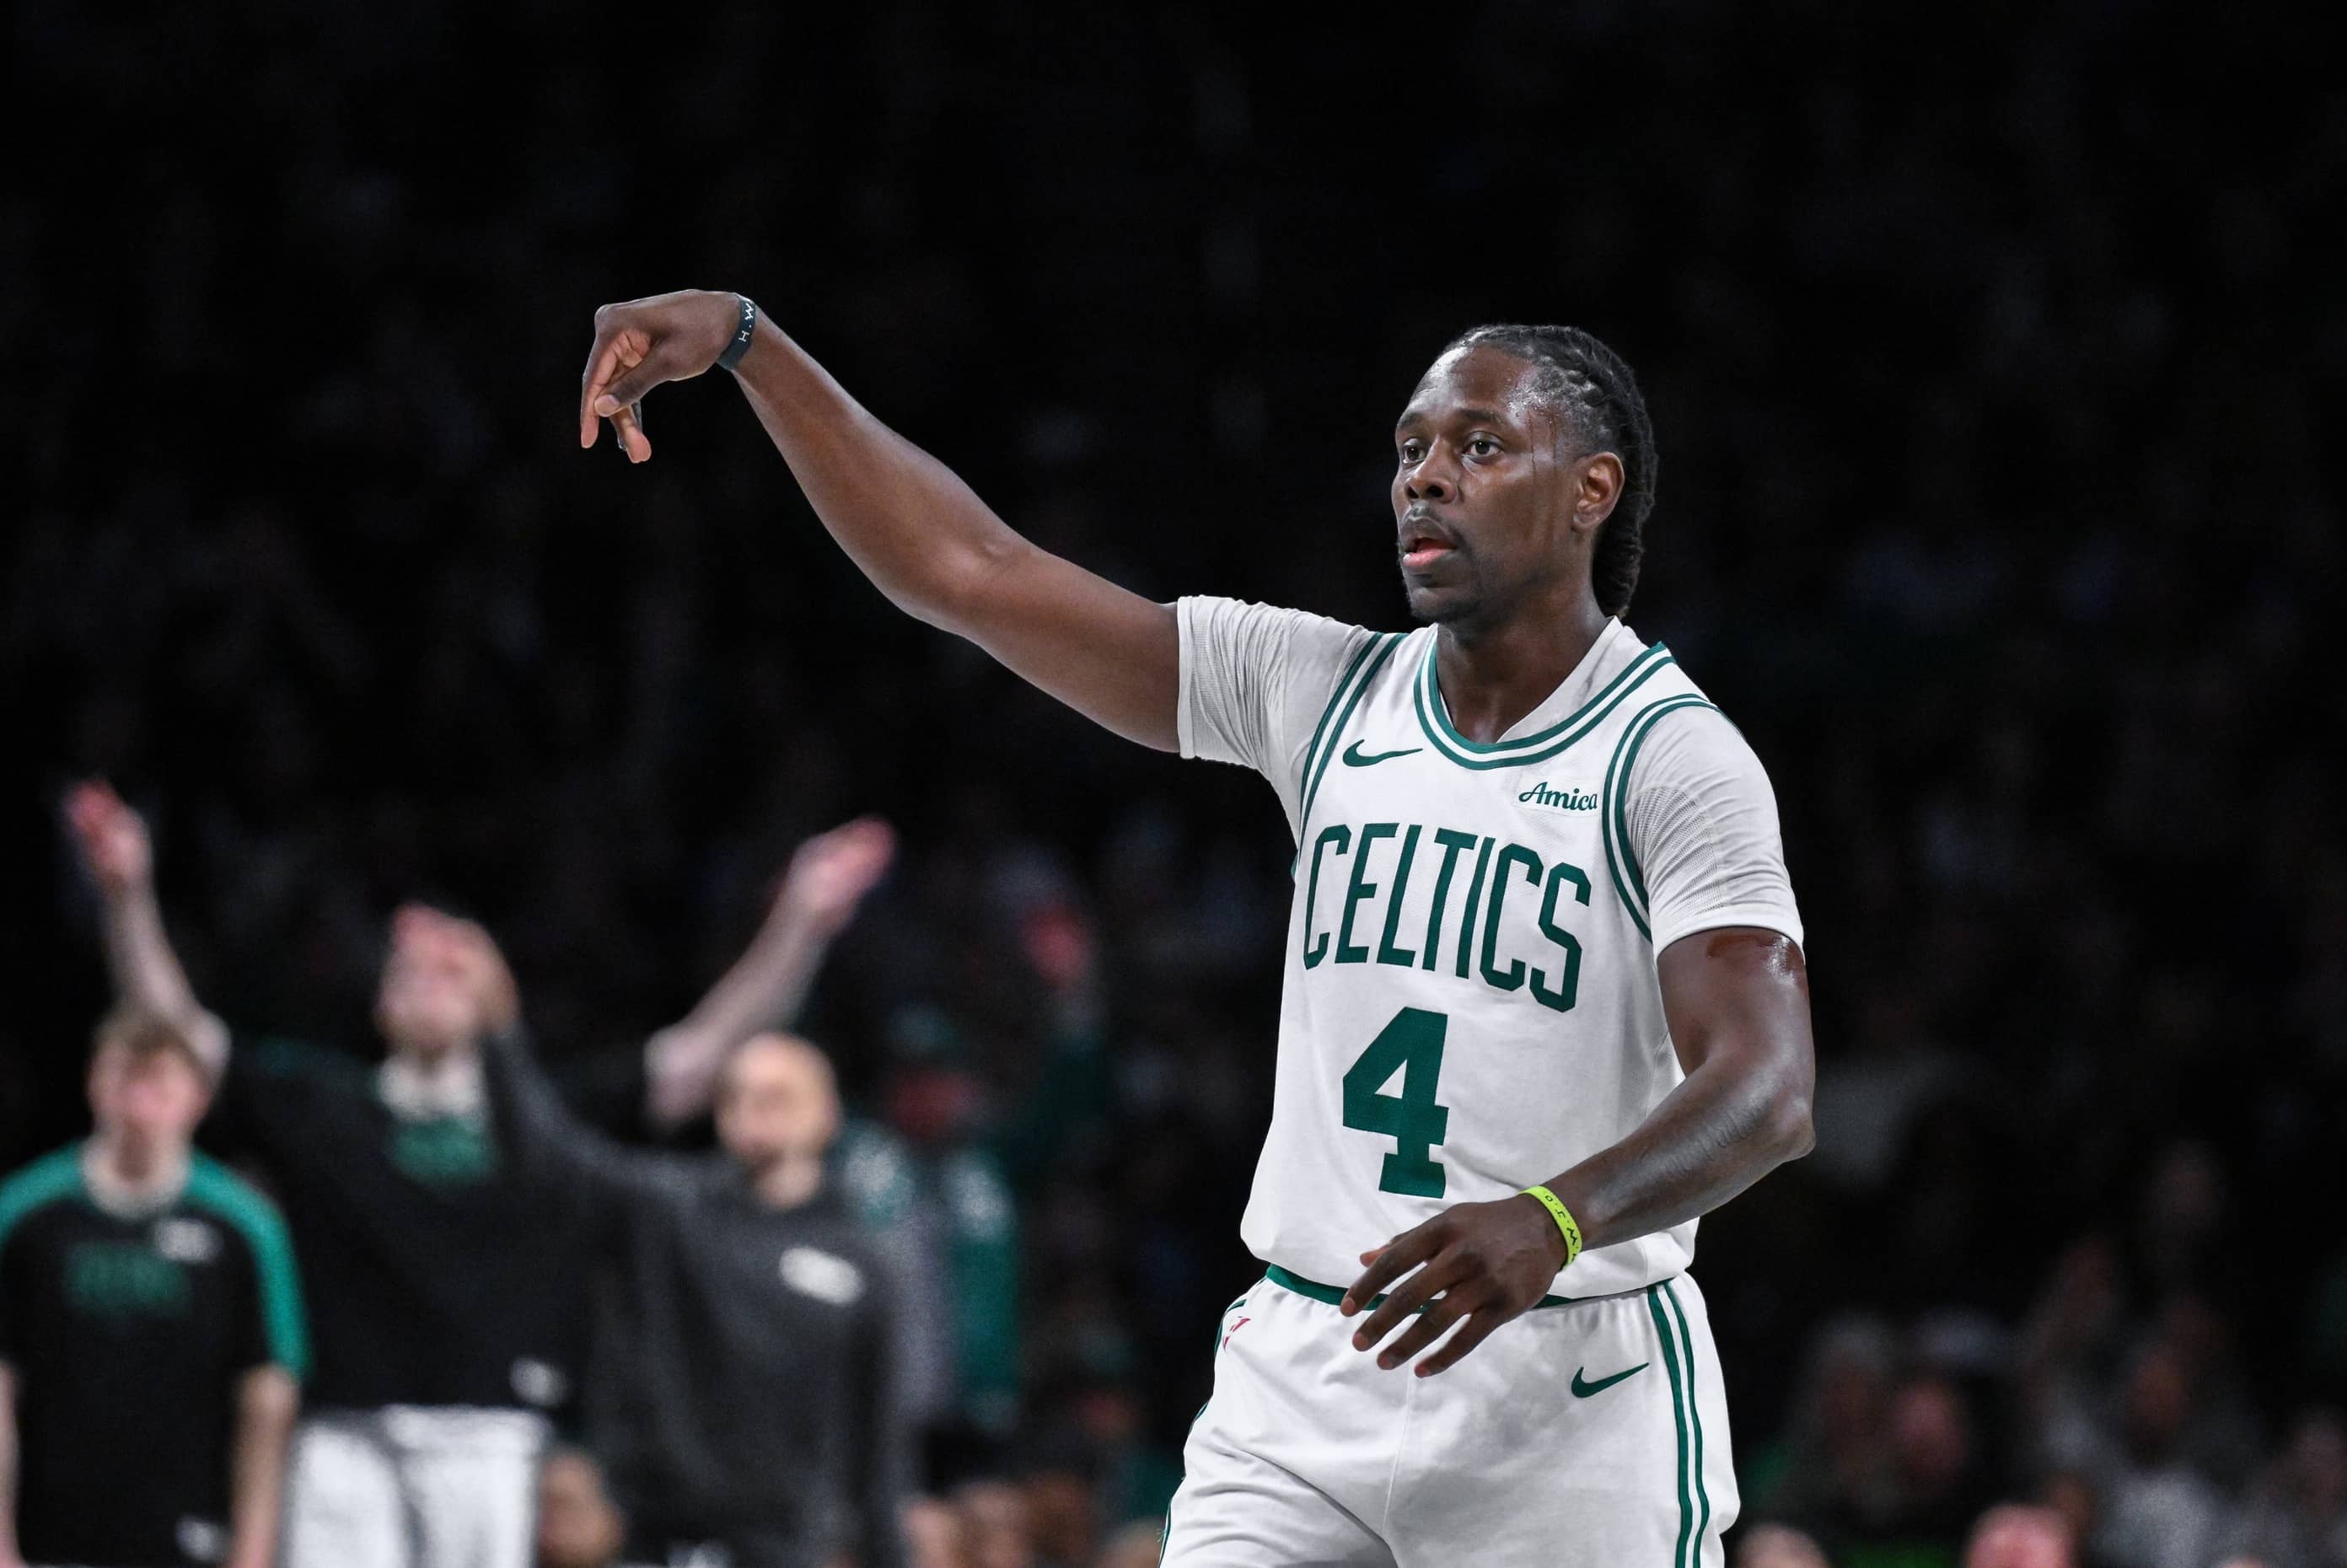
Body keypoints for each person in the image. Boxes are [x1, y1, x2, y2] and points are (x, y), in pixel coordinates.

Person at [573, 297, 1816, 1565]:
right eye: (1409, 449)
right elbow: (968, 573)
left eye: (1482, 446)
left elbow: (1768, 1091)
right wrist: (748, 346)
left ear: (1591, 490)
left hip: (1567, 1390)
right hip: (1306, 1367)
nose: (1427, 478)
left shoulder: (1674, 759)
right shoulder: (1317, 688)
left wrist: (1554, 1217)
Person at [64, 780, 893, 1568]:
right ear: (380, 1003)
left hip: (493, 1436)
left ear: (494, 996)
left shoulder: (543, 1124)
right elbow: (178, 1042)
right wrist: (126, 894)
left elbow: (704, 1055)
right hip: (344, 1433)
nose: (429, 983)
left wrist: (803, 922)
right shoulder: (323, 1108)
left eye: (452, 973)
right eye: (410, 974)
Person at [439, 904, 905, 1568]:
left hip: (786, 1549)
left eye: (779, 1094)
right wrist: (497, 1027)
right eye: (738, 1094)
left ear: (827, 1113)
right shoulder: (669, 1211)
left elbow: (881, 1448)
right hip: (654, 1541)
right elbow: (547, 1157)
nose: (753, 1109)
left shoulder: (862, 1263)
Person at [0, 1007, 304, 1568]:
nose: (139, 1105)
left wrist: (254, 1550)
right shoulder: (23, 1215)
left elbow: (267, 1396)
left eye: (159, 1083)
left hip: (191, 1533)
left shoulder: (244, 1227)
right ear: (94, 1082)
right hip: (51, 1534)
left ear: (197, 1098)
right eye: (124, 1080)